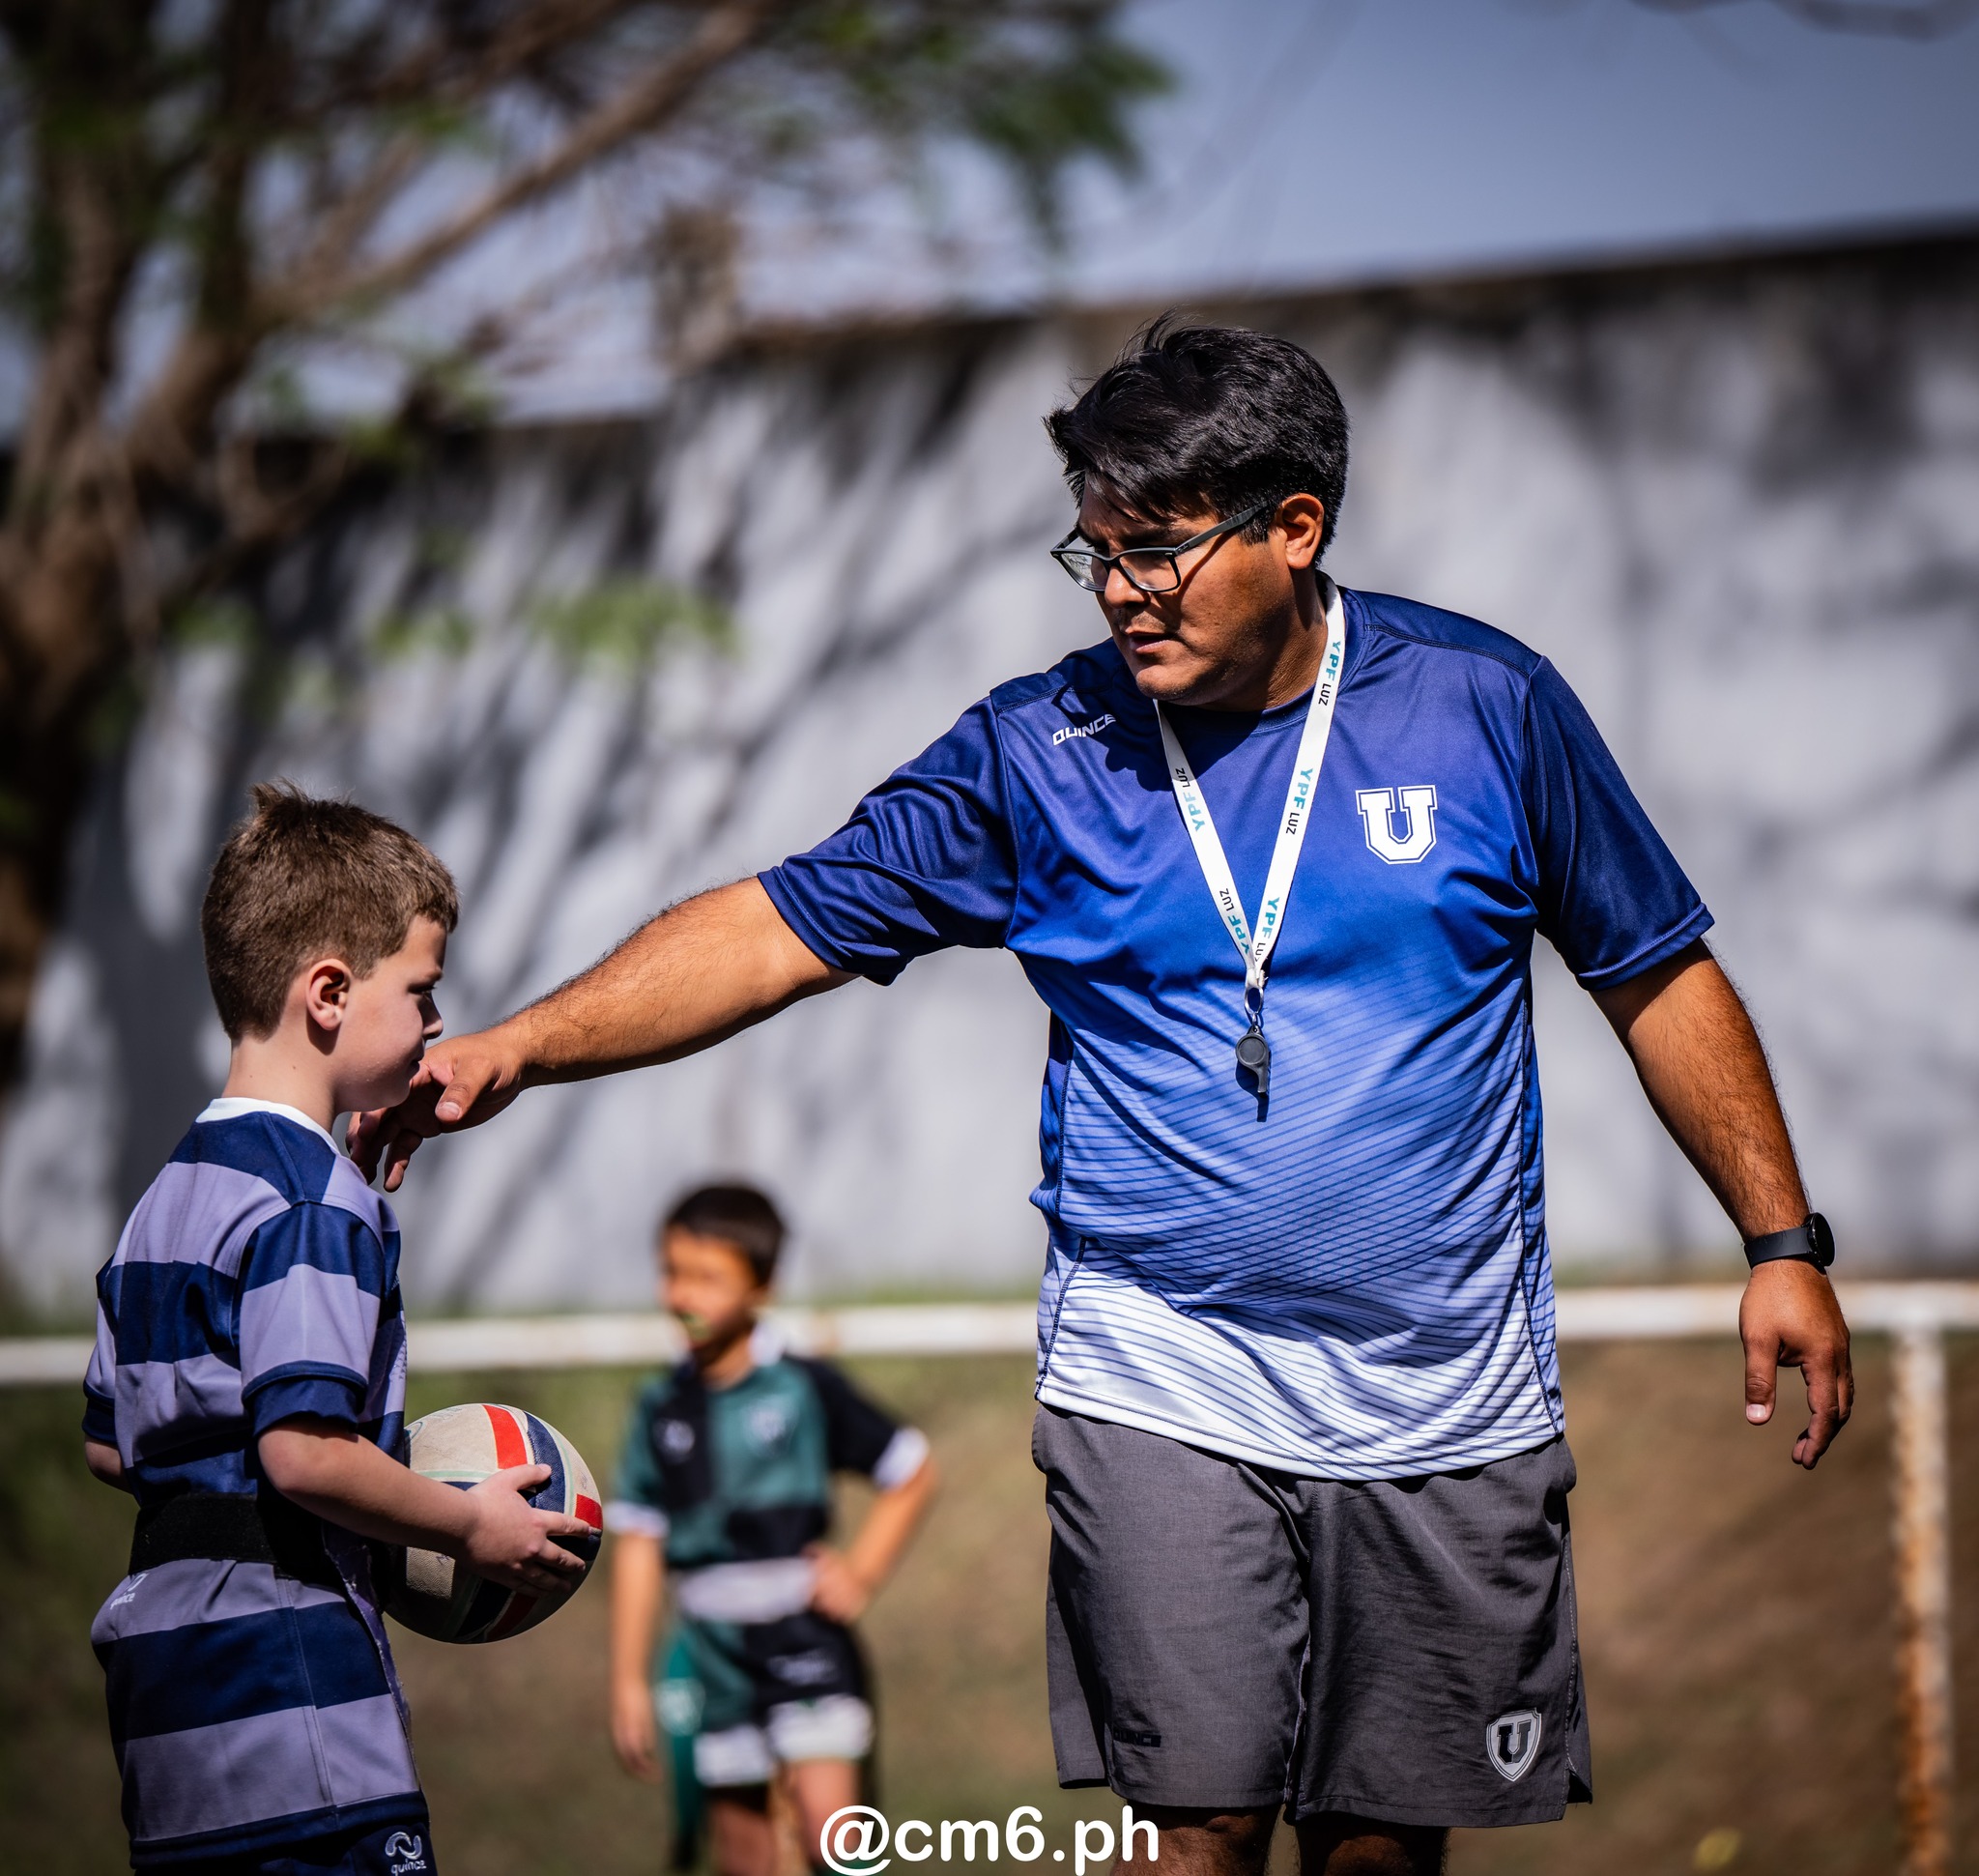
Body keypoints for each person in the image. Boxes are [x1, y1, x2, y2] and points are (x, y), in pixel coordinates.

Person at [354, 321, 1853, 1876]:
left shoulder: (1488, 709)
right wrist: (520, 1043)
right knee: (1193, 1831)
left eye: (1161, 550)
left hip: (1444, 1397)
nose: (1125, 589)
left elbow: (1655, 971)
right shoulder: (1038, 752)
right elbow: (776, 924)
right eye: (1098, 553)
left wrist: (1780, 1241)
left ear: (1295, 528)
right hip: (1161, 1370)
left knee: (1377, 1852)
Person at [83, 785, 588, 1876]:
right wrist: (463, 1527)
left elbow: (111, 1442)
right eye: (421, 991)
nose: (437, 1023)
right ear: (329, 993)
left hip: (170, 1729)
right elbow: (304, 1451)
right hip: (296, 1715)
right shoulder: (315, 1205)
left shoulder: (166, 1197)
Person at [606, 1182, 936, 1876]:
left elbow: (910, 1469)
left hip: (801, 1633)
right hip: (709, 1651)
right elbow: (639, 1540)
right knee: (745, 1857)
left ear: (762, 1285)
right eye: (673, 1272)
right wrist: (630, 1679)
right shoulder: (660, 1404)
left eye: (708, 1277)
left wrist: (860, 1572)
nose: (683, 1295)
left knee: (835, 1844)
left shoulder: (801, 1385)